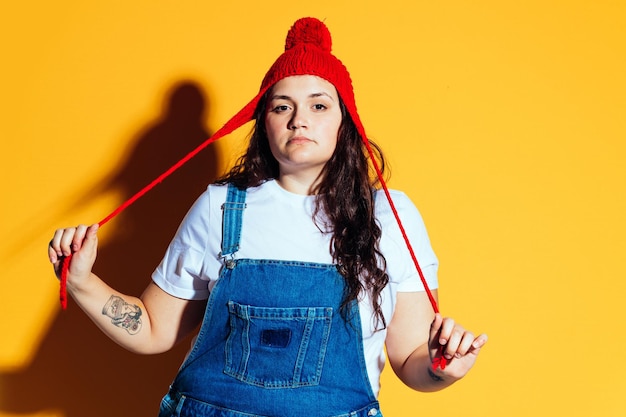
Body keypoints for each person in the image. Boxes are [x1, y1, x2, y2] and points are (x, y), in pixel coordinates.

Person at [48, 17, 487, 417]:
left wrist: (443, 368)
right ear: (264, 123)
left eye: (319, 105)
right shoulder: (220, 207)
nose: (299, 120)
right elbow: (152, 329)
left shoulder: (390, 217)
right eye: (282, 106)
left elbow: (411, 359)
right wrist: (82, 281)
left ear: (344, 120)